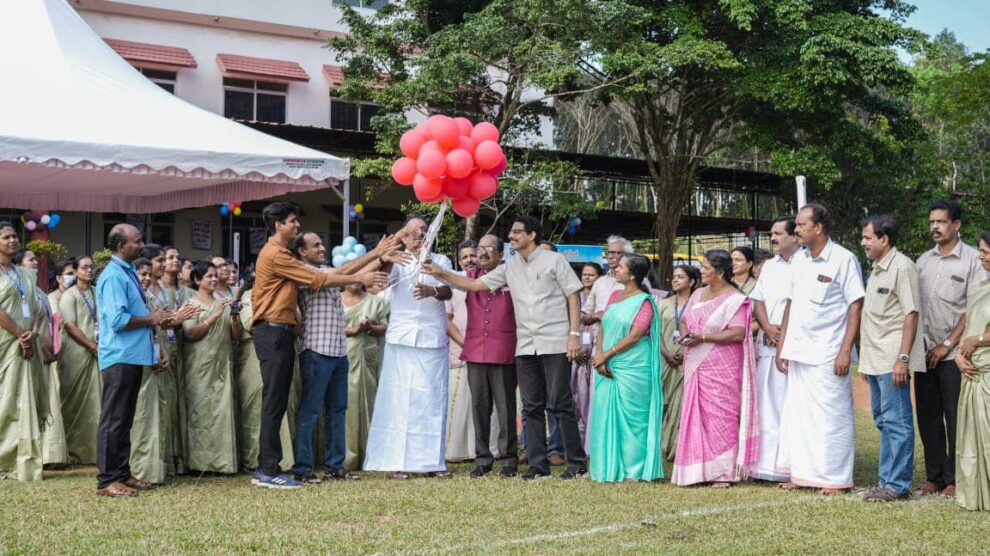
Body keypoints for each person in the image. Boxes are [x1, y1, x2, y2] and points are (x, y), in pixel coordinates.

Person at [426, 215, 588, 480]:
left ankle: (577, 463)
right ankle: (538, 466)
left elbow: (573, 294)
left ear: (531, 235)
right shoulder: (510, 266)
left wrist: (574, 334)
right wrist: (441, 273)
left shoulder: (554, 261)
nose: (511, 236)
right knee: (531, 405)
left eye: (516, 232)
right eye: (511, 232)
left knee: (560, 402)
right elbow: (476, 284)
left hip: (555, 341)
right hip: (525, 346)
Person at [249, 202, 387, 489]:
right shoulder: (278, 255)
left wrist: (375, 255)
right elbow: (320, 278)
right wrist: (361, 277)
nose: (296, 224)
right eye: (292, 221)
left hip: (287, 333)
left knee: (300, 404)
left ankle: (290, 467)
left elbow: (333, 272)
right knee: (276, 404)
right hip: (275, 332)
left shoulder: (284, 255)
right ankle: (268, 469)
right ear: (278, 225)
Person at [290, 231, 404, 483]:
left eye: (322, 243)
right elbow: (351, 273)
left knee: (337, 411)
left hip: (339, 352)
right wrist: (375, 254)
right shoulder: (300, 270)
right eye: (315, 245)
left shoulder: (330, 271)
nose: (322, 248)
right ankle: (302, 468)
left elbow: (353, 273)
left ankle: (334, 465)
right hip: (315, 351)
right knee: (310, 412)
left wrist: (384, 256)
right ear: (302, 252)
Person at [775, 204, 864, 494]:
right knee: (798, 417)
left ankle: (833, 478)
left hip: (828, 352)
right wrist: (782, 347)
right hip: (799, 350)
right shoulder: (798, 261)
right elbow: (790, 303)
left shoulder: (843, 259)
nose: (796, 229)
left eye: (801, 225)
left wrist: (845, 350)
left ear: (819, 228)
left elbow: (855, 305)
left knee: (831, 417)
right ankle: (802, 474)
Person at [365, 217, 454, 479]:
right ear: (403, 235)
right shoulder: (396, 259)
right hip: (401, 337)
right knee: (399, 399)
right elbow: (375, 280)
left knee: (433, 400)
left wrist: (432, 291)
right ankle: (397, 461)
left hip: (432, 338)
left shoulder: (440, 260)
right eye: (413, 232)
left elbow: (449, 291)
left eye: (424, 231)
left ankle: (433, 462)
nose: (419, 235)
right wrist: (394, 249)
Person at [914, 199, 984, 499]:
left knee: (955, 417)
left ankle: (955, 479)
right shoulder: (923, 261)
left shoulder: (972, 260)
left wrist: (947, 345)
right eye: (932, 222)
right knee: (928, 417)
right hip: (924, 352)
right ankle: (935, 477)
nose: (935, 227)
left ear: (956, 225)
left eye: (941, 222)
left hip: (954, 355)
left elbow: (973, 309)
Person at [671, 250, 758, 487]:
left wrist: (704, 337)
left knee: (722, 414)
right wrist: (687, 335)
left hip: (722, 363)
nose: (701, 271)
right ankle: (697, 470)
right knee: (697, 414)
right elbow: (685, 319)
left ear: (720, 272)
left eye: (706, 268)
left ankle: (723, 472)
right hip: (696, 359)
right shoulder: (698, 293)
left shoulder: (735, 299)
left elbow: (738, 332)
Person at [94, 223, 169, 497]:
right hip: (119, 356)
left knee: (124, 419)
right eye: (136, 241)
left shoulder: (127, 272)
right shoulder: (114, 276)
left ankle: (122, 474)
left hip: (133, 355)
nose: (141, 245)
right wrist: (152, 318)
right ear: (120, 246)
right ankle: (107, 480)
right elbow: (116, 320)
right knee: (113, 418)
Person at [857, 215, 923, 502]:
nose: (863, 243)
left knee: (897, 422)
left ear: (884, 239)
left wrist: (903, 359)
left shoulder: (903, 267)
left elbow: (911, 314)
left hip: (892, 359)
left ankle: (897, 485)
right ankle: (886, 480)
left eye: (867, 238)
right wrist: (865, 361)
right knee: (883, 420)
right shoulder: (875, 269)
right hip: (874, 359)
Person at [590, 254, 664, 483]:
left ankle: (635, 470)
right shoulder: (614, 296)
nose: (615, 268)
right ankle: (605, 467)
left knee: (633, 420)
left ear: (633, 275)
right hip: (606, 362)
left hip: (633, 366)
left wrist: (606, 355)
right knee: (604, 413)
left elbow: (635, 336)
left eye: (620, 266)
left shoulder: (645, 301)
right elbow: (604, 324)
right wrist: (599, 355)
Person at [462, 235, 519, 478]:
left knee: (505, 408)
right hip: (475, 349)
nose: (482, 253)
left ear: (500, 253)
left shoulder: (512, 275)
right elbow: (447, 287)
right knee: (479, 407)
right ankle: (482, 459)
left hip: (504, 349)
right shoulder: (469, 277)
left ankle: (508, 460)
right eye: (480, 249)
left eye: (488, 249)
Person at [749, 215, 800, 483]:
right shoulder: (769, 266)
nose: (773, 238)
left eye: (778, 233)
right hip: (768, 343)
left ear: (795, 236)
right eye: (772, 233)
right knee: (766, 406)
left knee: (789, 407)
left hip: (794, 346)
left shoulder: (805, 264)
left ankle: (791, 466)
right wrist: (768, 328)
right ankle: (765, 466)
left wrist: (784, 335)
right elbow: (758, 300)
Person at [180, 260, 239, 473]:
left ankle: (222, 462)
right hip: (199, 365)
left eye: (216, 276)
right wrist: (213, 316)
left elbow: (236, 336)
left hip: (222, 363)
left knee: (221, 411)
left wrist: (233, 317)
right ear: (197, 280)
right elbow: (190, 334)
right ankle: (199, 463)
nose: (214, 279)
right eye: (209, 276)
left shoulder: (224, 301)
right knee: (200, 412)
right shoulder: (191, 304)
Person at [233, 276, 294, 474]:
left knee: (279, 405)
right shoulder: (249, 296)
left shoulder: (283, 295)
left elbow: (296, 323)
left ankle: (282, 460)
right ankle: (255, 460)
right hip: (255, 356)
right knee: (257, 408)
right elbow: (251, 324)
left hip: (281, 350)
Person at [0, 221, 46, 482]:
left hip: (28, 343)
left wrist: (34, 332)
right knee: (6, 401)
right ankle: (4, 460)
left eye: (14, 236)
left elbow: (37, 307)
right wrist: (19, 334)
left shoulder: (26, 274)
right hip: (6, 343)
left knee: (26, 399)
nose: (12, 240)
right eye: (6, 237)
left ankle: (25, 460)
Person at [128, 257, 179, 484]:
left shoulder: (150, 298)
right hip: (137, 363)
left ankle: (155, 469)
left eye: (149, 274)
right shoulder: (132, 299)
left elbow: (159, 330)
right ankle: (137, 470)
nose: (147, 279)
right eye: (142, 274)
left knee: (156, 416)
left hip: (155, 360)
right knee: (141, 416)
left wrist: (164, 353)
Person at [953, 231, 990, 511]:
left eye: (987, 252)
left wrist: (976, 341)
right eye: (980, 251)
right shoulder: (981, 288)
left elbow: (974, 334)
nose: (981, 257)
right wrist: (958, 355)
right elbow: (968, 325)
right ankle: (977, 494)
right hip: (972, 371)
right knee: (972, 440)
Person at [341, 282, 389, 471]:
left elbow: (385, 328)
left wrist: (369, 327)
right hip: (339, 356)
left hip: (366, 358)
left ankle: (370, 455)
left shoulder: (376, 302)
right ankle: (344, 457)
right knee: (343, 405)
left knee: (367, 403)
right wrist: (352, 330)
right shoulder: (333, 299)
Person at [59, 256, 102, 465]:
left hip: (100, 352)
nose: (89, 271)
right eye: (84, 267)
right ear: (75, 272)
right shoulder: (69, 295)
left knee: (96, 402)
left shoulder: (98, 293)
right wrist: (92, 346)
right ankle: (73, 451)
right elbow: (70, 326)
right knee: (74, 403)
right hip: (77, 354)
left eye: (92, 267)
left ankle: (93, 451)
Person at [658, 264, 700, 465]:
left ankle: (676, 447)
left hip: (688, 359)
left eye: (680, 277)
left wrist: (685, 352)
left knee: (681, 404)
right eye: (674, 277)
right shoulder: (664, 304)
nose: (675, 280)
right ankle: (662, 445)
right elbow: (654, 332)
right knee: (663, 403)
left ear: (692, 282)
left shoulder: (698, 303)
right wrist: (665, 353)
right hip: (664, 359)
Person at [445, 240, 479, 462]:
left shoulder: (489, 281)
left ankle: (478, 448)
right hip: (460, 351)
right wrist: (465, 344)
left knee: (480, 401)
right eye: (465, 256)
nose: (469, 260)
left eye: (472, 255)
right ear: (459, 261)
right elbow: (446, 320)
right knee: (458, 402)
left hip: (484, 352)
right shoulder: (453, 284)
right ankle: (454, 451)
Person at [573, 262, 603, 448]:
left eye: (592, 275)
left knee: (591, 400)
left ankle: (590, 443)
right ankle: (576, 441)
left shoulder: (603, 299)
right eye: (584, 274)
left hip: (595, 356)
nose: (587, 278)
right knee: (576, 400)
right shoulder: (574, 298)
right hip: (576, 358)